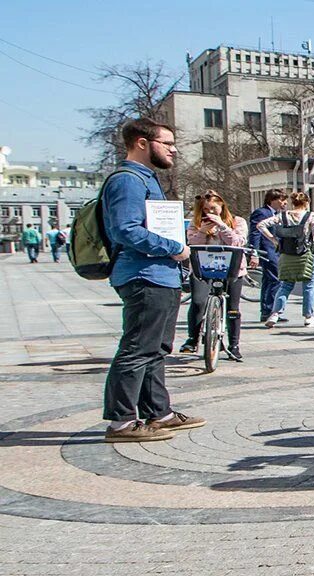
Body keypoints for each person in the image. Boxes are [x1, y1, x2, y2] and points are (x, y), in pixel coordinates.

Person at [101, 118, 205, 443]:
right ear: (142, 143)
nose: (173, 150)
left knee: (155, 349)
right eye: (167, 143)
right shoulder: (128, 180)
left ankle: (159, 413)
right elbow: (125, 229)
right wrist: (175, 247)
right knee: (136, 349)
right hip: (144, 275)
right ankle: (121, 422)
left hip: (161, 275)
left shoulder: (146, 179)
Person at [179, 190, 250, 361]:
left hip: (232, 268)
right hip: (203, 268)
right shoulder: (196, 223)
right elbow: (191, 244)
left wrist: (223, 227)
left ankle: (234, 345)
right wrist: (203, 231)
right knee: (198, 301)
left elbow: (238, 242)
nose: (209, 213)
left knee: (233, 308)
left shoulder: (237, 221)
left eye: (213, 208)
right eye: (205, 210)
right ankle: (193, 338)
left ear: (222, 205)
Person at [256, 191, 314, 328]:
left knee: (285, 285)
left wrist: (274, 240)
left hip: (287, 255)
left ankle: (275, 314)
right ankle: (308, 317)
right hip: (307, 254)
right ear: (307, 203)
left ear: (293, 202)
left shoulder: (283, 215)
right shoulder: (310, 216)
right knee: (309, 286)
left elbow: (261, 225)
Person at [248, 189, 288, 322]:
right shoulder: (261, 213)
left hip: (276, 251)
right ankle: (270, 310)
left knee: (269, 280)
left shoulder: (278, 214)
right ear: (273, 200)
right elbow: (255, 233)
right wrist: (254, 253)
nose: (284, 203)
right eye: (282, 200)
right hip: (267, 251)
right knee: (275, 279)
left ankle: (267, 310)